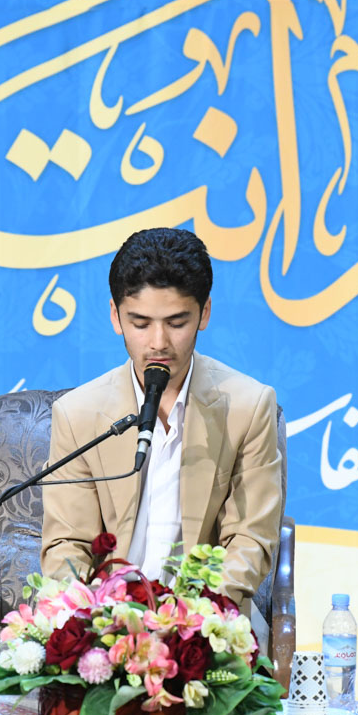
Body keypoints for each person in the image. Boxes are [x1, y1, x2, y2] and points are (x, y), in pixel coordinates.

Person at [39, 227, 284, 607]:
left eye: (176, 323)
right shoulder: (78, 414)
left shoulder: (248, 407)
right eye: (140, 324)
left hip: (206, 619)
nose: (158, 343)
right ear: (116, 316)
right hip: (107, 618)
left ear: (204, 313)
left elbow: (250, 542)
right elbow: (67, 546)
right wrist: (94, 617)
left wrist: (193, 617)